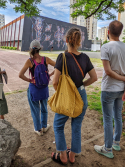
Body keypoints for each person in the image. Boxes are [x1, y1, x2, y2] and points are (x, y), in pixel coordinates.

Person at [51, 28, 97, 165]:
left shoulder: (62, 57)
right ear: (79, 41)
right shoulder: (85, 57)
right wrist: (81, 85)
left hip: (67, 96)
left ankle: (63, 156)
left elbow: (55, 82)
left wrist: (61, 93)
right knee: (76, 126)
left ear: (66, 40)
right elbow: (94, 77)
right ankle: (72, 156)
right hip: (81, 95)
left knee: (58, 125)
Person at [94, 20, 125, 159]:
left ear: (108, 32)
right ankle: (116, 143)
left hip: (109, 89)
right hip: (121, 90)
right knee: (118, 116)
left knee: (107, 119)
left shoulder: (106, 47)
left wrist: (124, 80)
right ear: (121, 32)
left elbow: (108, 71)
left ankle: (107, 148)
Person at [19, 40, 56, 136]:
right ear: (40, 48)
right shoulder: (45, 59)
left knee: (35, 110)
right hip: (44, 88)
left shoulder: (29, 61)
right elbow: (58, 66)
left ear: (31, 48)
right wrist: (50, 74)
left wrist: (30, 80)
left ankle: (38, 130)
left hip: (34, 88)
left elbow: (20, 75)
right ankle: (44, 126)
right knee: (44, 108)